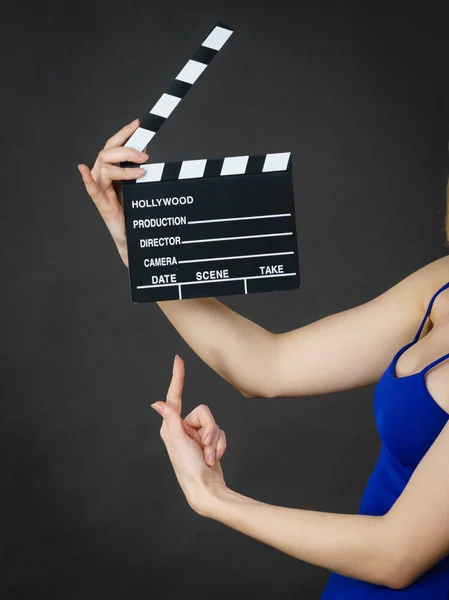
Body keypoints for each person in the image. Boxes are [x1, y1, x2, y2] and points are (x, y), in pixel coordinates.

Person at [78, 118, 449, 598]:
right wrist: (142, 244)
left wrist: (214, 497)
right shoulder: (440, 285)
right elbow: (267, 365)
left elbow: (397, 554)